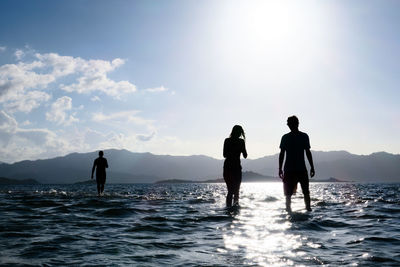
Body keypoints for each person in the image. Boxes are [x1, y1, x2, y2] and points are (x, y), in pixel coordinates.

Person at [279, 116, 315, 212]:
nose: (288, 124)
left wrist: (312, 167)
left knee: (302, 193)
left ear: (296, 124)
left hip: (297, 170)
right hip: (293, 170)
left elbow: (308, 152)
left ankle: (306, 210)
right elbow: (282, 154)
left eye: (289, 123)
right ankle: (303, 211)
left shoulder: (302, 136)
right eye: (288, 123)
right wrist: (280, 168)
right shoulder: (287, 137)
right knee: (290, 195)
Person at [223, 125, 248, 207]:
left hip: (230, 167)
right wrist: (239, 149)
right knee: (234, 190)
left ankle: (229, 209)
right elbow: (245, 155)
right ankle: (234, 208)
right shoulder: (240, 142)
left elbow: (224, 155)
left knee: (231, 191)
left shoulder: (228, 141)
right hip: (234, 168)